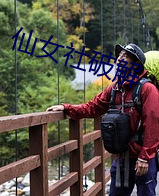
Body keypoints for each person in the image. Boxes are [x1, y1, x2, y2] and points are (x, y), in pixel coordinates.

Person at [46, 43, 159, 196]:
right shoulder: (114, 89)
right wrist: (67, 108)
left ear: (136, 64)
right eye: (119, 56)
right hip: (122, 157)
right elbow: (93, 107)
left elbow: (153, 124)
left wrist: (145, 158)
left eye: (125, 56)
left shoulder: (147, 89)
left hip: (142, 157)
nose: (119, 59)